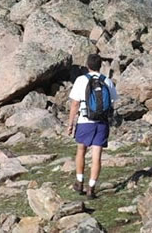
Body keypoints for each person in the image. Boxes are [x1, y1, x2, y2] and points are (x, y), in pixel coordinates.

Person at [67, 53, 118, 199]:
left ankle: (79, 181)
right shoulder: (107, 81)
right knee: (97, 156)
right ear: (100, 66)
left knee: (81, 150)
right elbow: (113, 101)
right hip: (102, 123)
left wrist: (71, 123)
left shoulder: (81, 80)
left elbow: (75, 104)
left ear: (87, 65)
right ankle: (91, 187)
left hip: (85, 121)